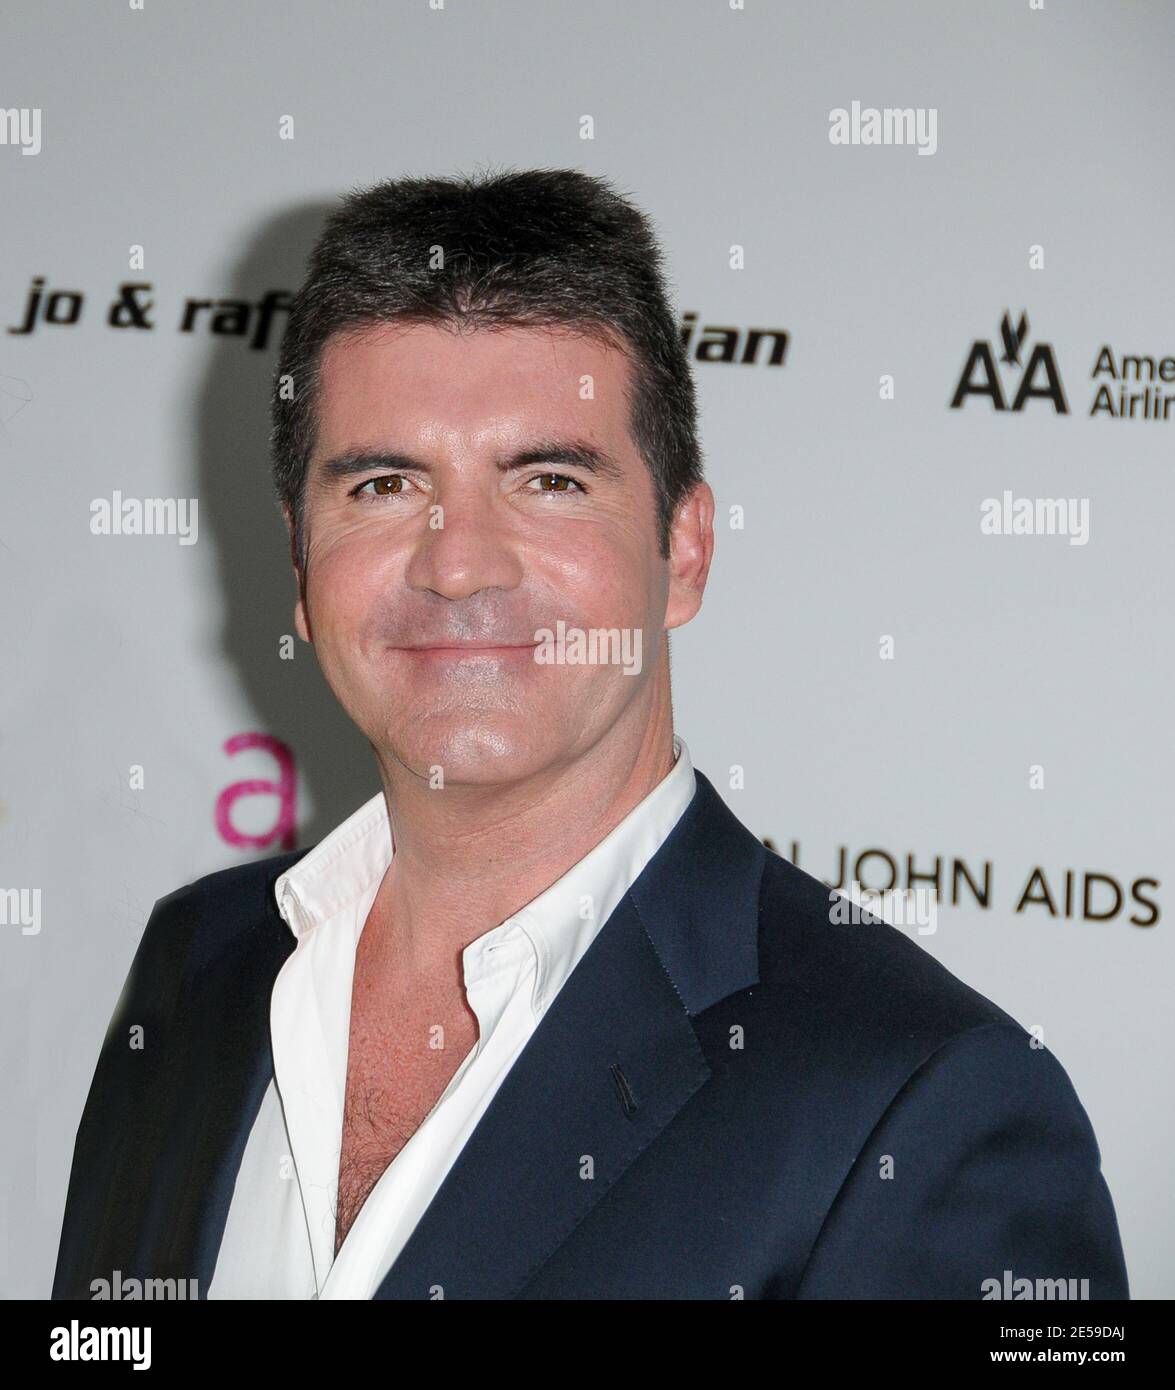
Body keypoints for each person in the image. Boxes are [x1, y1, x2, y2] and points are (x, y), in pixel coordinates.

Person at [52, 168, 1129, 1300]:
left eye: (549, 480)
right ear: (300, 566)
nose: (457, 563)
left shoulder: (919, 1106)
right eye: (384, 484)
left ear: (684, 549)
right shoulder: (203, 962)